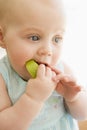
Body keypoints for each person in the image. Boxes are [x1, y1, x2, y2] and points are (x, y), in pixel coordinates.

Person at [0, 0, 87, 130]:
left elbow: (82, 115)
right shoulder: (3, 76)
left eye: (56, 39)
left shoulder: (61, 70)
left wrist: (73, 98)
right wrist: (33, 98)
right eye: (34, 37)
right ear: (2, 37)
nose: (48, 50)